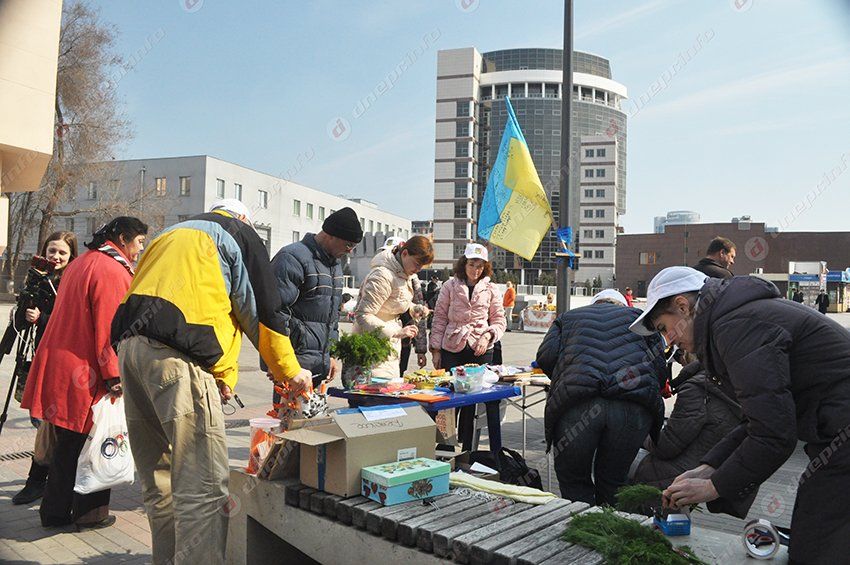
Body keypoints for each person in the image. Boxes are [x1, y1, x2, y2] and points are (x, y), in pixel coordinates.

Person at [113, 200, 312, 564]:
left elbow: (202, 301)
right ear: (243, 219)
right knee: (203, 488)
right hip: (178, 359)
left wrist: (221, 375)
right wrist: (289, 371)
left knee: (161, 483)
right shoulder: (238, 233)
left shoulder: (170, 235)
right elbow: (261, 311)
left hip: (130, 351)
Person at [630, 266, 850, 563]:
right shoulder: (735, 318)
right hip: (835, 436)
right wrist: (708, 467)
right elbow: (757, 420)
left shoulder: (737, 327)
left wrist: (713, 487)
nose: (668, 340)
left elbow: (773, 434)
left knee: (816, 545)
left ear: (682, 306)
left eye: (663, 328)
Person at [21, 217, 147, 529]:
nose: (140, 249)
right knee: (92, 443)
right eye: (139, 242)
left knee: (69, 445)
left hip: (62, 365)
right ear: (121, 238)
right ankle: (89, 514)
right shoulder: (111, 270)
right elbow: (109, 329)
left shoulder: (83, 263)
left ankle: (54, 512)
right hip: (85, 372)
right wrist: (114, 376)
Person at [537, 289, 667, 506]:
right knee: (615, 481)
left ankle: (580, 531)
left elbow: (545, 356)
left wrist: (568, 375)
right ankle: (613, 533)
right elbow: (660, 368)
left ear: (594, 304)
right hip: (633, 408)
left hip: (577, 406)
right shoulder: (640, 318)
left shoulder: (568, 318)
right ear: (622, 305)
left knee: (574, 480)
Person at [12, 232, 79, 505]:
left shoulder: (72, 281)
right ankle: (42, 478)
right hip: (39, 354)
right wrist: (25, 312)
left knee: (48, 424)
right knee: (42, 421)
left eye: (62, 253)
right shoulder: (38, 278)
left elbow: (71, 322)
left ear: (71, 256)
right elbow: (20, 322)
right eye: (52, 251)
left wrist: (43, 318)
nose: (56, 257)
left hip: (64, 360)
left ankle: (38, 480)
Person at [271, 207, 363, 388]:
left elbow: (332, 316)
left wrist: (331, 356)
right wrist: (280, 361)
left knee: (314, 415)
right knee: (290, 414)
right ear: (330, 235)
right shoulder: (292, 257)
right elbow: (275, 313)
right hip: (294, 364)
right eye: (348, 245)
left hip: (320, 364)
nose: (350, 251)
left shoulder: (334, 264)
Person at [429, 243, 506, 450]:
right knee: (447, 398)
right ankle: (444, 448)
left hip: (480, 348)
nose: (475, 270)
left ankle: (467, 451)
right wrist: (435, 349)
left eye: (480, 266)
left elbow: (499, 321)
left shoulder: (491, 289)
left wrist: (488, 336)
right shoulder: (449, 286)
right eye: (472, 264)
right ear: (464, 264)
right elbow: (439, 318)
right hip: (452, 346)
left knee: (473, 401)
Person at [632, 353, 744, 491]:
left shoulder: (697, 388)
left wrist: (642, 434)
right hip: (706, 472)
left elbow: (665, 446)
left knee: (623, 459)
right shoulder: (734, 384)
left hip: (674, 475)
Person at [352, 235, 433, 379]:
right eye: (416, 263)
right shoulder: (382, 275)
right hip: (370, 348)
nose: (418, 269)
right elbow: (363, 315)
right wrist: (397, 333)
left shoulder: (403, 274)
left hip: (388, 348)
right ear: (404, 253)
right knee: (374, 396)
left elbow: (394, 303)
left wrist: (414, 309)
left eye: (422, 266)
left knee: (389, 393)